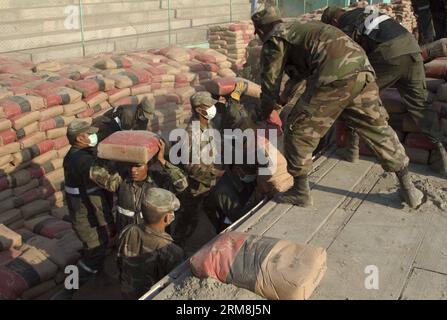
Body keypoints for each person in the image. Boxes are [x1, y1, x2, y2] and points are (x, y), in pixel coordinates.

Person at [252, 7, 424, 209]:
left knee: (297, 130)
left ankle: (300, 192)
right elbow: (296, 78)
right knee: (377, 127)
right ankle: (408, 189)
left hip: (334, 75)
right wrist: (281, 101)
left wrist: (266, 113)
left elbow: (270, 84)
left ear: (260, 31)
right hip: (362, 70)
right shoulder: (302, 29)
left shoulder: (275, 38)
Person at [321, 6, 447, 174]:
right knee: (420, 105)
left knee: (355, 98)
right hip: (412, 49)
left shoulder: (345, 24)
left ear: (334, 21)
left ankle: (352, 149)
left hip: (390, 54)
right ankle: (441, 154)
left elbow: (349, 59)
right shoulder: (364, 11)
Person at [90, 138, 188, 235]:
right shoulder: (121, 180)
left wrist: (162, 161)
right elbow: (95, 174)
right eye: (130, 165)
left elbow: (182, 184)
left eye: (138, 166)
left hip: (152, 236)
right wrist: (104, 155)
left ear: (148, 165)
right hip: (126, 234)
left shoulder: (159, 182)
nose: (133, 170)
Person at [63, 120, 115, 286]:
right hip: (87, 216)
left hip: (81, 211)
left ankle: (100, 278)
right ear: (79, 138)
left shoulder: (74, 154)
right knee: (95, 251)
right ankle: (68, 290)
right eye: (90, 133)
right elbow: (95, 197)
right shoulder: (84, 162)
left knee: (96, 247)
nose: (94, 136)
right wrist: (107, 222)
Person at [172, 92, 224, 255]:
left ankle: (220, 241)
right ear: (200, 110)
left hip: (211, 184)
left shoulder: (209, 125)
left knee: (214, 212)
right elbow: (191, 167)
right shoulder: (190, 134)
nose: (213, 109)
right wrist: (216, 173)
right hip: (196, 188)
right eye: (210, 106)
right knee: (187, 220)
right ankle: (175, 248)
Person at [117, 188, 185, 300]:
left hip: (128, 292)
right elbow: (175, 288)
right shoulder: (172, 251)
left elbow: (119, 262)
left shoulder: (128, 230)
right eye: (172, 212)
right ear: (167, 217)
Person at [205, 163, 259, 232]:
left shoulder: (242, 173)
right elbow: (240, 218)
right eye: (251, 173)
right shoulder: (223, 190)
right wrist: (258, 193)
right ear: (238, 169)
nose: (254, 175)